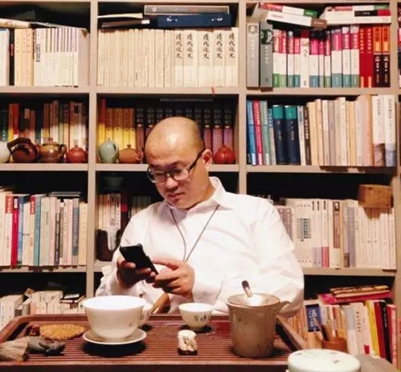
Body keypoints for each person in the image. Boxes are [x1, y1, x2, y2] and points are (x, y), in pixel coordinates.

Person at [95, 116, 304, 316]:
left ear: (206, 160)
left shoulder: (256, 213)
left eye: (178, 170)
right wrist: (122, 282)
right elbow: (102, 302)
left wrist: (202, 286)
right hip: (157, 338)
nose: (169, 184)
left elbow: (289, 293)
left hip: (236, 337)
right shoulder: (142, 222)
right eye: (158, 173)